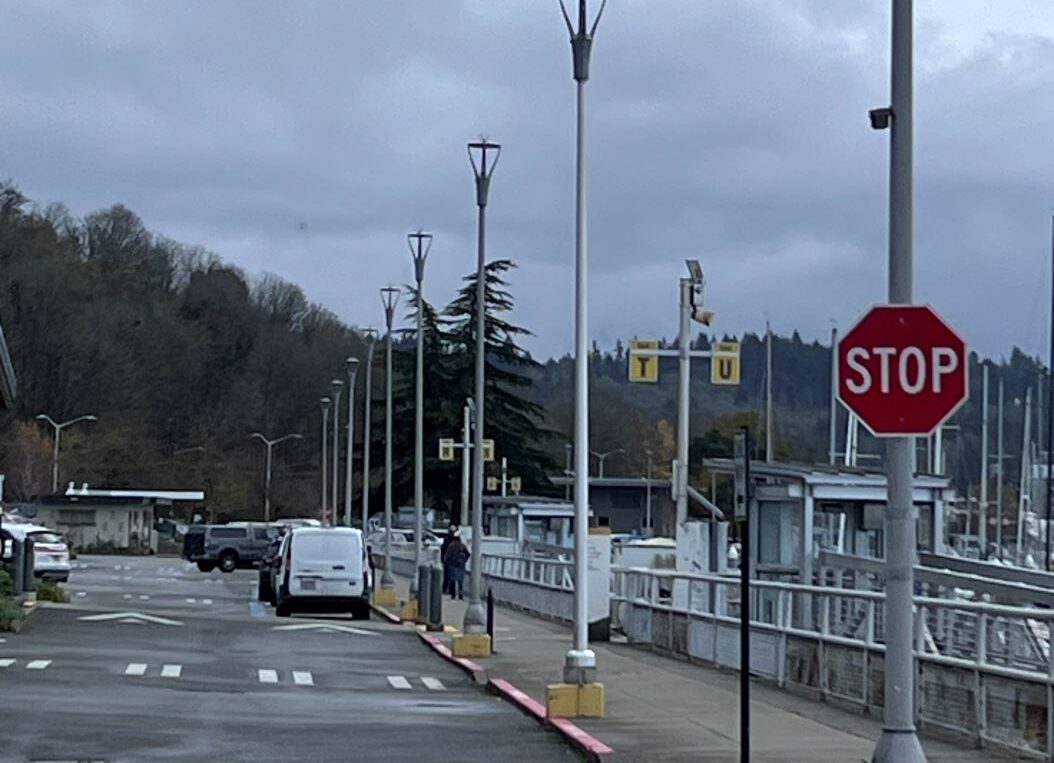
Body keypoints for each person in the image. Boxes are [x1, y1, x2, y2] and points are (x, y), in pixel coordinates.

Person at [443, 532, 470, 600]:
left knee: (452, 579)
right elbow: (468, 554)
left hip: (452, 564)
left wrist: (446, 561)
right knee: (460, 580)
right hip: (461, 564)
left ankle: (453, 594)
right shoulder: (462, 545)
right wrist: (464, 560)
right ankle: (460, 593)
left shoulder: (451, 545)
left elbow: (447, 555)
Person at [441, 523, 458, 595]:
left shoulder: (447, 539)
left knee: (448, 575)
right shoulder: (456, 539)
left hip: (449, 560)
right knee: (451, 575)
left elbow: (443, 549)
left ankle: (447, 589)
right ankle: (450, 590)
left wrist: (443, 559)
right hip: (451, 560)